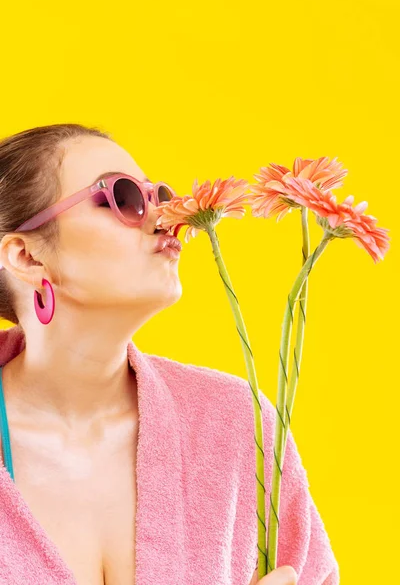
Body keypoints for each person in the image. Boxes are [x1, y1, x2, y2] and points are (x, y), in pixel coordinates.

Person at [0, 124, 339, 585]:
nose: (167, 217)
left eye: (159, 195)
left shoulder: (237, 423)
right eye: (122, 197)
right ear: (27, 257)